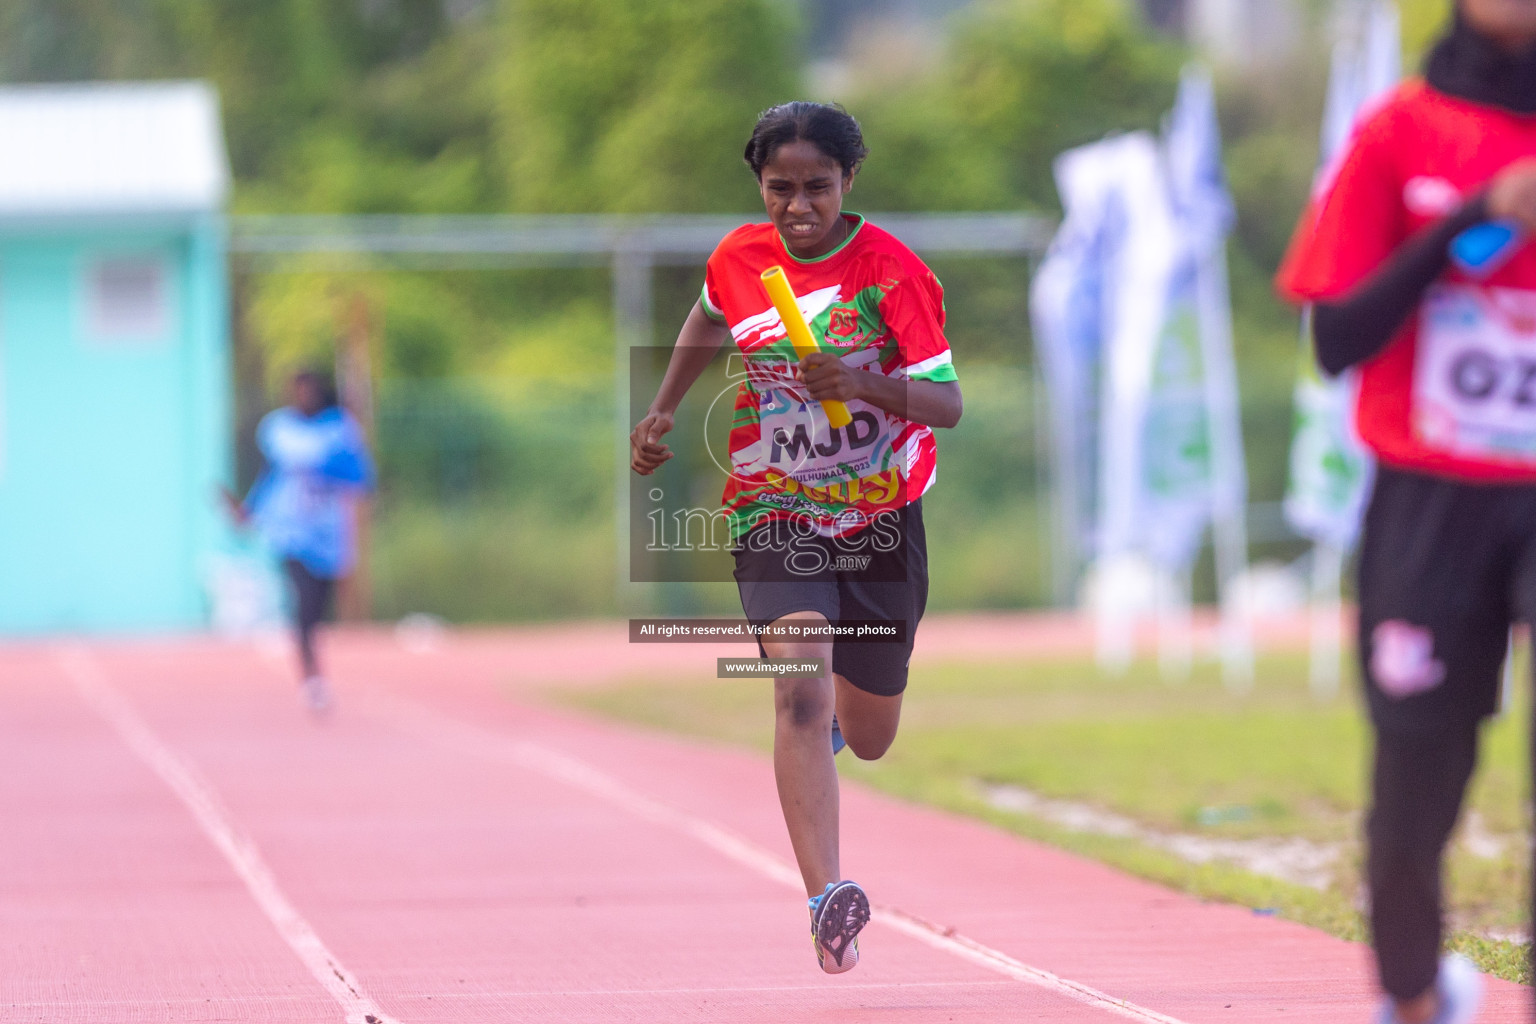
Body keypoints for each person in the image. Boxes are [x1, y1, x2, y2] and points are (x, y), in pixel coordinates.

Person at [630, 101, 962, 975]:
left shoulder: (893, 274)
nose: (798, 207)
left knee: (873, 731)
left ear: (849, 181)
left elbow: (948, 404)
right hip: (772, 507)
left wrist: (860, 382)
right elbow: (708, 315)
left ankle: (835, 736)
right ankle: (828, 901)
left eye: (817, 188)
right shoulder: (740, 259)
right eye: (780, 189)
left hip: (881, 518)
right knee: (799, 692)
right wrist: (663, 407)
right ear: (760, 187)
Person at [1277, 1, 1536, 1020]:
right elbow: (1336, 338)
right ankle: (1417, 993)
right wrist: (1475, 217)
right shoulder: (1400, 129)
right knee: (1415, 783)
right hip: (1432, 498)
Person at [225, 370, 375, 713]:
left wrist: (340, 452)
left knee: (318, 607)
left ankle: (313, 666)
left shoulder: (340, 431)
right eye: (298, 391)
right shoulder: (279, 430)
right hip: (291, 531)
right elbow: (271, 473)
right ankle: (312, 677)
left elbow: (359, 477)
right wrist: (250, 510)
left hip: (328, 532)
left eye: (310, 390)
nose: (303, 397)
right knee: (303, 603)